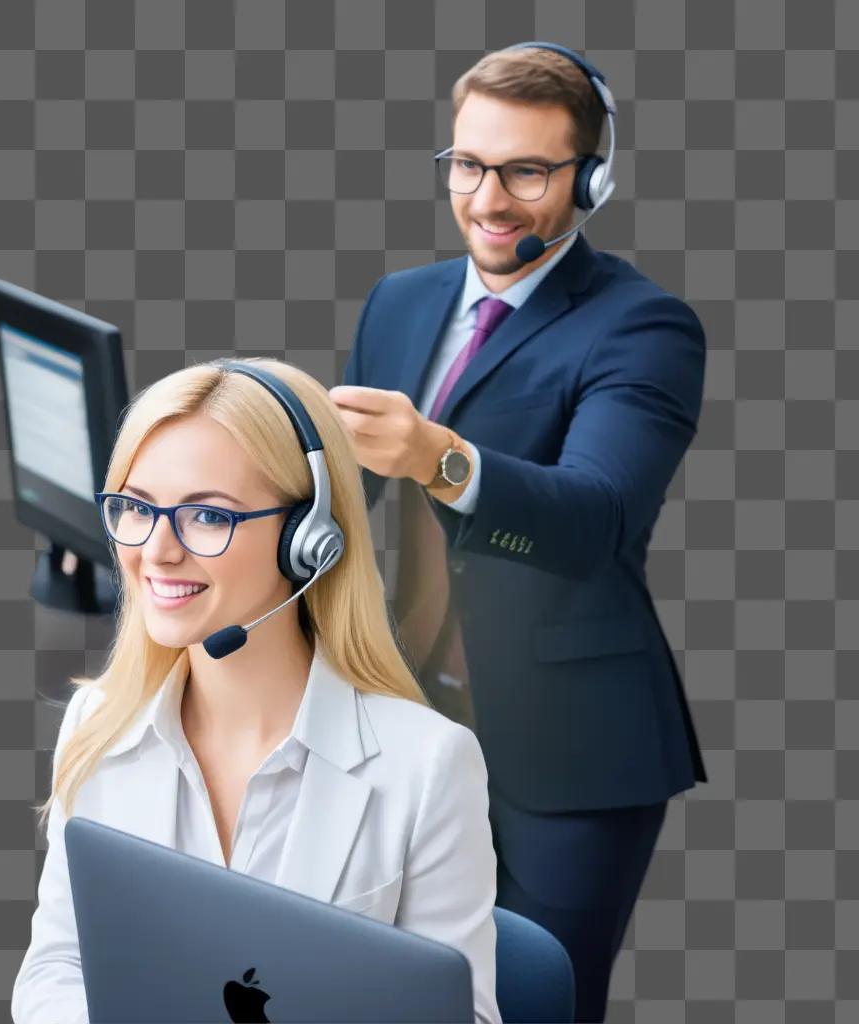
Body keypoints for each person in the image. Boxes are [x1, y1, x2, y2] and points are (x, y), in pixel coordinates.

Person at [330, 43, 707, 1022]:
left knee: (536, 1004)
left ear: (591, 179)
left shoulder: (642, 327)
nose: (489, 200)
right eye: (469, 165)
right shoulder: (400, 302)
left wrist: (437, 456)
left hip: (571, 748)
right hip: (406, 722)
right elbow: (344, 501)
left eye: (527, 171)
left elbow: (596, 518)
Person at [11, 358, 501, 1024]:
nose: (157, 550)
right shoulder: (99, 724)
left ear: (309, 542)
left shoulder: (428, 768)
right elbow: (55, 966)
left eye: (208, 516)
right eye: (135, 507)